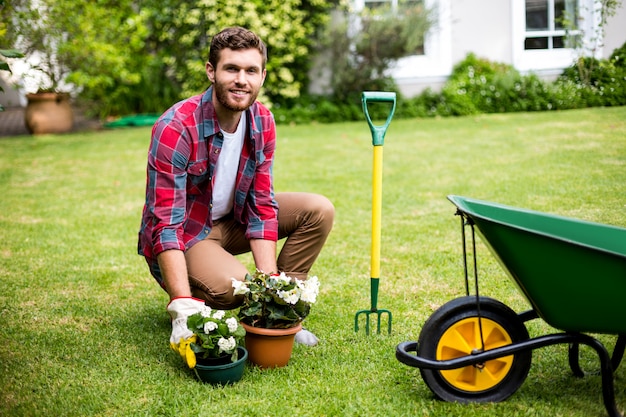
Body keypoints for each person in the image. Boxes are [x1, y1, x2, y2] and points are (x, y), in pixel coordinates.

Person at [137, 27, 334, 357]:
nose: (242, 80)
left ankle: (281, 314)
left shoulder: (262, 121)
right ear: (211, 72)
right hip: (188, 235)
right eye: (231, 69)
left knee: (318, 210)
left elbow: (261, 208)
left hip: (231, 223)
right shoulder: (176, 127)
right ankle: (197, 297)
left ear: (263, 76)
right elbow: (164, 225)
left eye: (251, 71)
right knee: (238, 290)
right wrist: (181, 307)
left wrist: (271, 287)